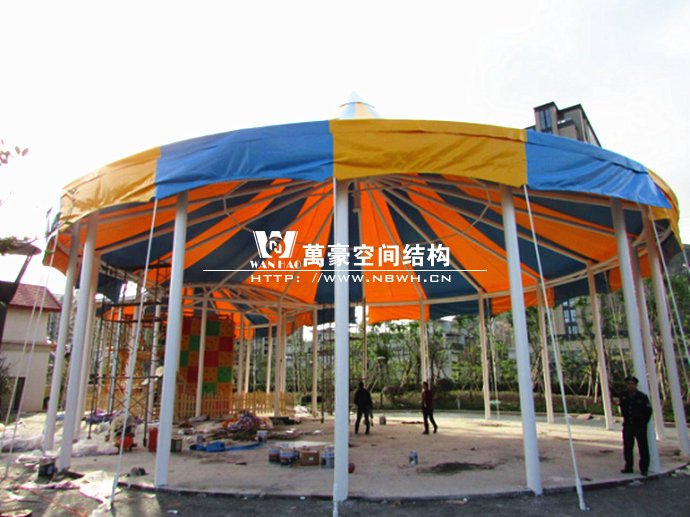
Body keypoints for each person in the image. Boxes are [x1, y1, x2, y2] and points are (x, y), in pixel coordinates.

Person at [618, 376, 652, 475]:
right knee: (627, 447)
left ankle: (644, 468)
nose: (630, 386)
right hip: (628, 425)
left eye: (632, 384)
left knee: (643, 447)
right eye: (628, 384)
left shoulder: (642, 397)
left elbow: (648, 411)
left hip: (639, 425)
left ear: (636, 385)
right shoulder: (623, 395)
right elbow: (622, 408)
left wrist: (643, 422)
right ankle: (628, 466)